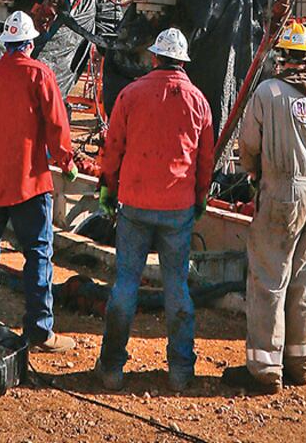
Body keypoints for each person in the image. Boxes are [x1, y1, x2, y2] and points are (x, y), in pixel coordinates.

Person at [94, 28, 215, 393]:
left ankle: (112, 368)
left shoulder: (131, 94)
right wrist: (201, 196)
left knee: (126, 285)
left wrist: (106, 187)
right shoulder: (198, 100)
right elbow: (205, 158)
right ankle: (180, 371)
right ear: (184, 62)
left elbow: (113, 147)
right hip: (178, 207)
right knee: (177, 287)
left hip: (134, 203)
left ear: (154, 58)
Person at [222, 21, 306, 394]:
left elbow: (248, 147)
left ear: (281, 57)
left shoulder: (268, 93)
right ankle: (300, 361)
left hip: (281, 191)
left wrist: (256, 175)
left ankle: (265, 367)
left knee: (269, 278)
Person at [0, 10, 77, 353]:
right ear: (29, 43)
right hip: (29, 181)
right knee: (38, 253)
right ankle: (40, 330)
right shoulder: (39, 75)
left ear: (6, 44)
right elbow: (57, 124)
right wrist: (66, 161)